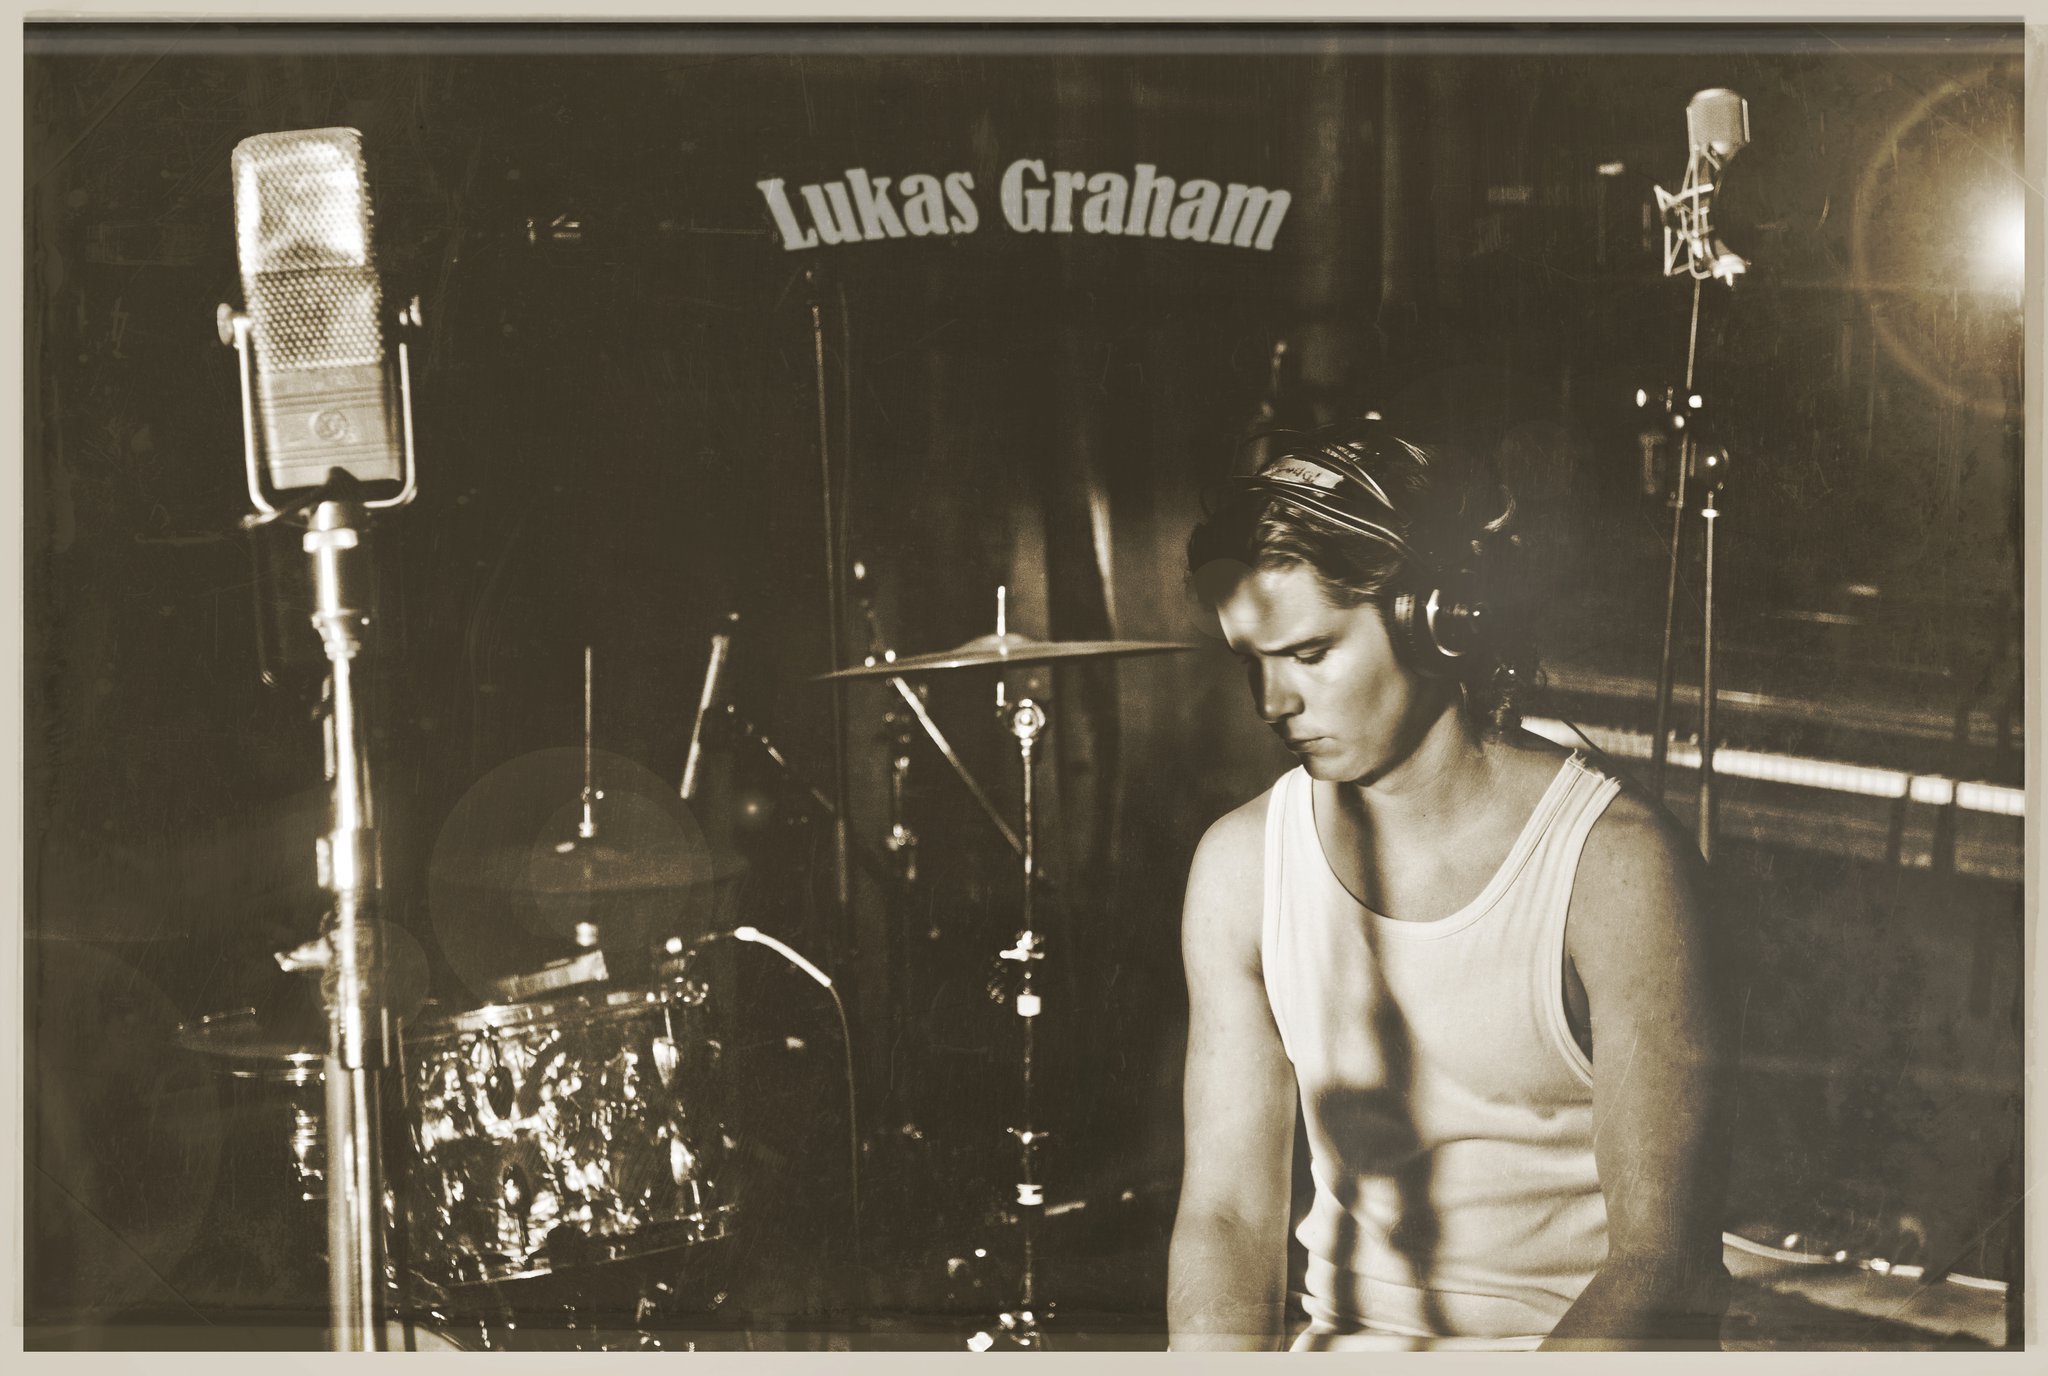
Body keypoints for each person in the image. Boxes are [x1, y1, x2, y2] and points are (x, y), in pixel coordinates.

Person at [1166, 416, 1736, 1351]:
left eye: (1310, 653)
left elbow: (1664, 1268)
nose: (1273, 704)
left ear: (1435, 622)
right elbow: (1226, 1215)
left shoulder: (1619, 868)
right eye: (1251, 662)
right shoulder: (1239, 867)